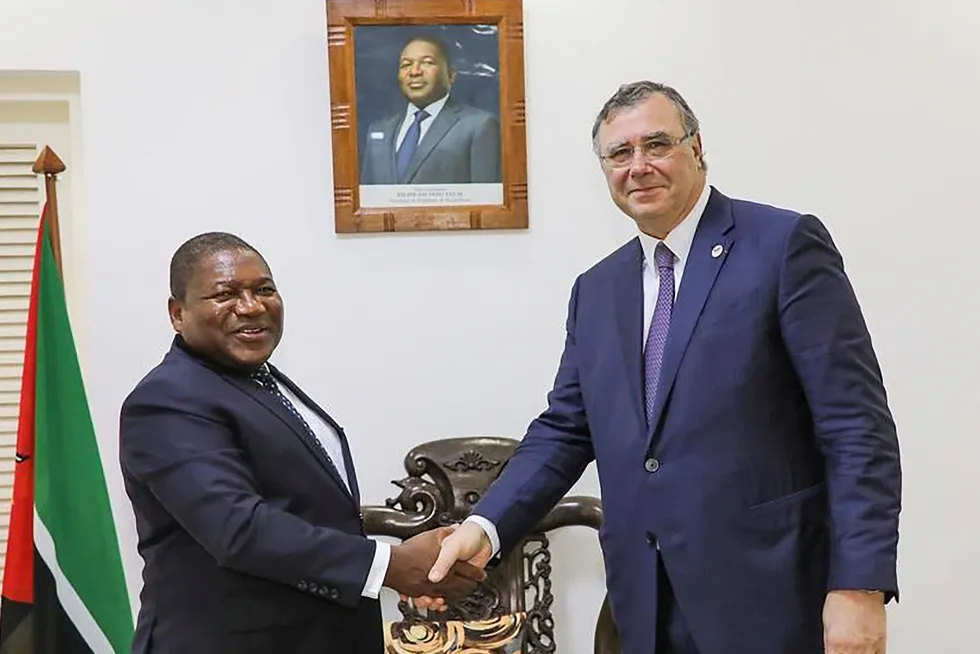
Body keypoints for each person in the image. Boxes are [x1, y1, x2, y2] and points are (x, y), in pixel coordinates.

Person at [426, 81, 902, 654]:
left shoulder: (783, 247)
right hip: (645, 605)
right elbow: (565, 429)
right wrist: (485, 526)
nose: (639, 166)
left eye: (657, 144)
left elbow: (856, 428)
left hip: (771, 598)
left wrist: (859, 583)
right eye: (620, 154)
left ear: (697, 148)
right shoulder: (597, 290)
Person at [119, 232, 484, 654]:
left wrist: (412, 569)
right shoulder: (167, 399)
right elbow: (240, 529)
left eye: (264, 289)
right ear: (177, 313)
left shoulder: (255, 379)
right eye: (225, 294)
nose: (251, 306)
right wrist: (389, 566)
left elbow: (308, 511)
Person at [359, 34, 502, 185]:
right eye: (406, 65)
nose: (414, 72)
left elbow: (486, 198)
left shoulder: (479, 126)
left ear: (451, 75)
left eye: (427, 62)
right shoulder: (380, 129)